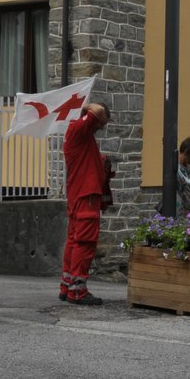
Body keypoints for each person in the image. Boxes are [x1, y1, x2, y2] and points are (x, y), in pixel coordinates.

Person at [61, 101, 111, 306]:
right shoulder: (79, 129)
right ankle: (78, 291)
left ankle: (67, 286)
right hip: (86, 195)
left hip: (78, 194)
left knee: (74, 241)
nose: (100, 128)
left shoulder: (79, 135)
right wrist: (85, 105)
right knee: (85, 242)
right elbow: (97, 110)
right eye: (101, 124)